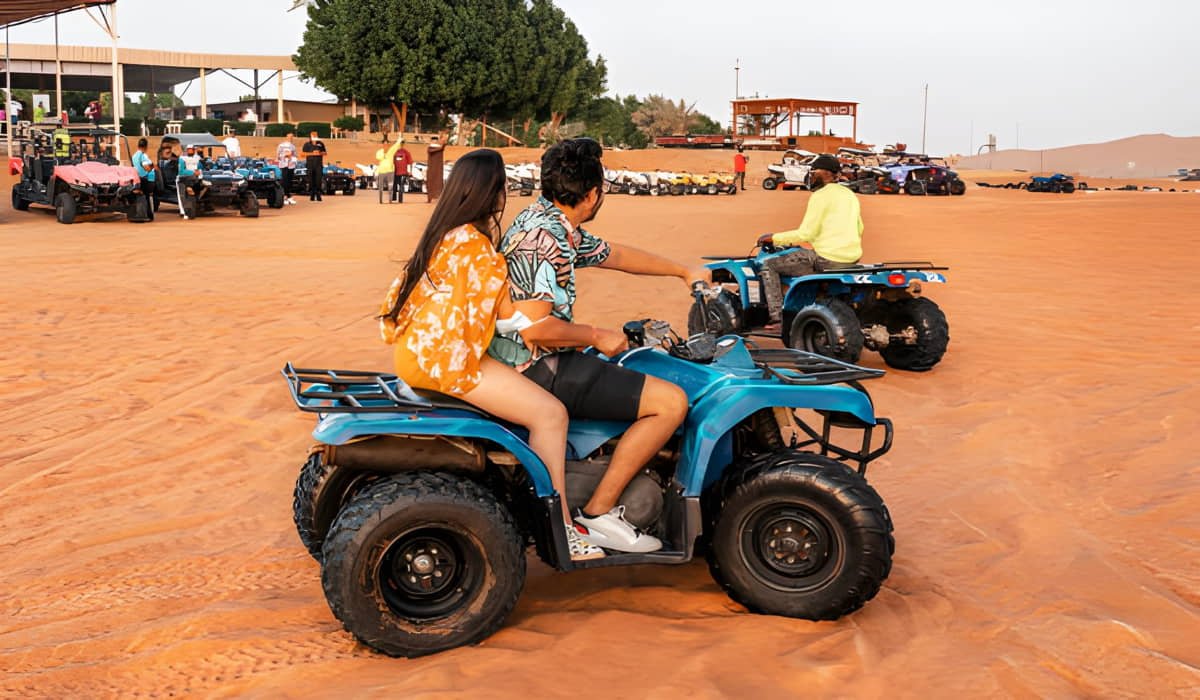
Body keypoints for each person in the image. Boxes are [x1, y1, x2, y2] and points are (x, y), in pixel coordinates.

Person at [378, 149, 604, 562]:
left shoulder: (444, 235)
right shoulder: (477, 248)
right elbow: (510, 317)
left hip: (415, 354)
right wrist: (570, 330)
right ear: (493, 193)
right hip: (449, 363)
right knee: (550, 415)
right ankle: (562, 528)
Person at [489, 137, 708, 553]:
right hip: (536, 366)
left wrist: (682, 270)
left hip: (535, 359)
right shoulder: (544, 240)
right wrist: (596, 335)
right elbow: (535, 328)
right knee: (671, 403)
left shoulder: (549, 223)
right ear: (592, 194)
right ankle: (600, 512)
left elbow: (615, 254)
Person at [755, 154, 863, 324]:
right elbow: (860, 228)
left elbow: (805, 234)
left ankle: (777, 319)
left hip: (826, 259)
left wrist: (773, 238)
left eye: (814, 171)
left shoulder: (820, 196)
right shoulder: (849, 194)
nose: (811, 175)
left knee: (768, 265)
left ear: (827, 173)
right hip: (852, 259)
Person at [131, 137, 158, 220]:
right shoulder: (142, 155)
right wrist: (153, 166)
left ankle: (144, 214)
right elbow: (146, 167)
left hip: (138, 178)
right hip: (147, 179)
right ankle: (149, 215)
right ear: (146, 147)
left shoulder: (134, 155)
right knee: (148, 196)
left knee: (144, 197)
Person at [177, 145, 203, 219]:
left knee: (191, 196)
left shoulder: (197, 158)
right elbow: (181, 172)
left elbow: (200, 168)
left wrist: (198, 172)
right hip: (183, 179)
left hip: (194, 179)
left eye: (192, 149)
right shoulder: (182, 159)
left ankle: (191, 212)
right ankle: (184, 213)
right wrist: (192, 172)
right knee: (182, 197)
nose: (190, 151)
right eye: (189, 149)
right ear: (186, 150)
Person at [373, 139, 402, 204]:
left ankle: (390, 200)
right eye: (384, 144)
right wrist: (384, 153)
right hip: (382, 171)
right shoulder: (379, 152)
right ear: (382, 144)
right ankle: (381, 200)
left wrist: (400, 138)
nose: (386, 145)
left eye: (387, 144)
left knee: (390, 186)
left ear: (389, 144)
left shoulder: (391, 150)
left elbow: (396, 145)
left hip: (390, 170)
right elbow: (378, 158)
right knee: (381, 187)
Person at [301, 131, 327, 201]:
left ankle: (318, 194)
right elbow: (302, 154)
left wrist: (320, 153)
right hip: (310, 165)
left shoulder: (320, 144)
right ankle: (312, 194)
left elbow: (325, 153)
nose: (314, 136)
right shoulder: (307, 144)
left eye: (316, 135)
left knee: (318, 180)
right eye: (313, 135)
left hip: (318, 165)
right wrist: (312, 153)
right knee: (311, 180)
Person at [276, 132, 299, 205]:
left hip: (291, 165)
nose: (291, 138)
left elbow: (295, 155)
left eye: (292, 137)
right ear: (286, 137)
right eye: (289, 137)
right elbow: (278, 155)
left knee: (289, 181)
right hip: (283, 165)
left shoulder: (293, 146)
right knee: (284, 181)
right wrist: (284, 156)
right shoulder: (281, 145)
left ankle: (288, 196)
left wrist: (292, 158)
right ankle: (284, 196)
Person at [391, 138, 413, 203]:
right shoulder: (393, 152)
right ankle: (393, 197)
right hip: (394, 171)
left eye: (402, 143)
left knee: (401, 185)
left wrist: (410, 171)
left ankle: (400, 198)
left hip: (403, 172)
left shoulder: (406, 152)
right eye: (400, 143)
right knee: (394, 185)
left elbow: (410, 162)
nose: (401, 145)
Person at [426, 136, 445, 202]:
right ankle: (430, 198)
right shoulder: (430, 148)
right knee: (430, 183)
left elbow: (441, 148)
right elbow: (432, 150)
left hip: (438, 169)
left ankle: (438, 197)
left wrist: (442, 145)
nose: (434, 141)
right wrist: (442, 146)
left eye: (435, 140)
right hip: (431, 169)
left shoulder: (439, 148)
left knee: (438, 183)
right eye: (433, 140)